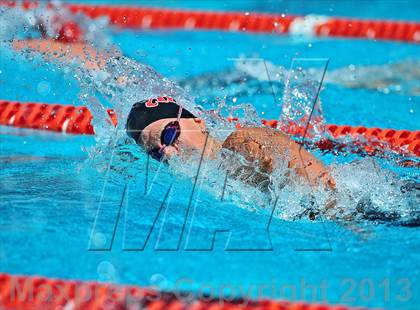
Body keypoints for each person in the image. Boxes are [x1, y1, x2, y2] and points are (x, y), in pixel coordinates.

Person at [125, 96, 336, 191]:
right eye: (156, 154)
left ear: (199, 123)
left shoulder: (241, 144)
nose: (169, 154)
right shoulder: (207, 183)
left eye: (169, 135)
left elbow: (324, 186)